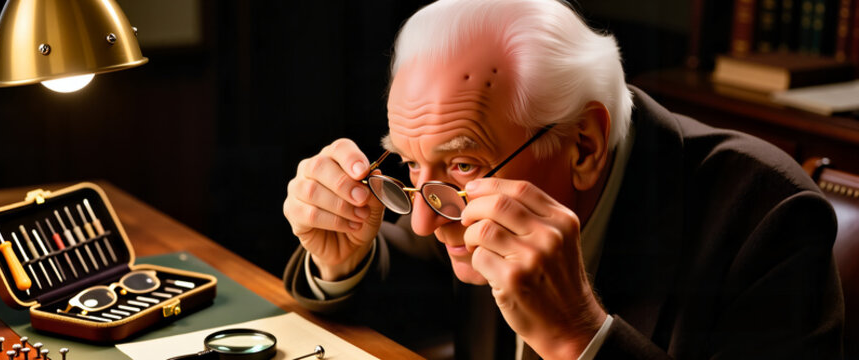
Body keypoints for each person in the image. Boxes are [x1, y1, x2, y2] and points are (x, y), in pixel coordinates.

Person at [280, 0, 844, 358]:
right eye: (406, 162)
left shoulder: (769, 217)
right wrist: (341, 260)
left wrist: (581, 335)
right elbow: (404, 287)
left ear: (584, 146)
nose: (424, 223)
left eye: (463, 165)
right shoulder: (440, 198)